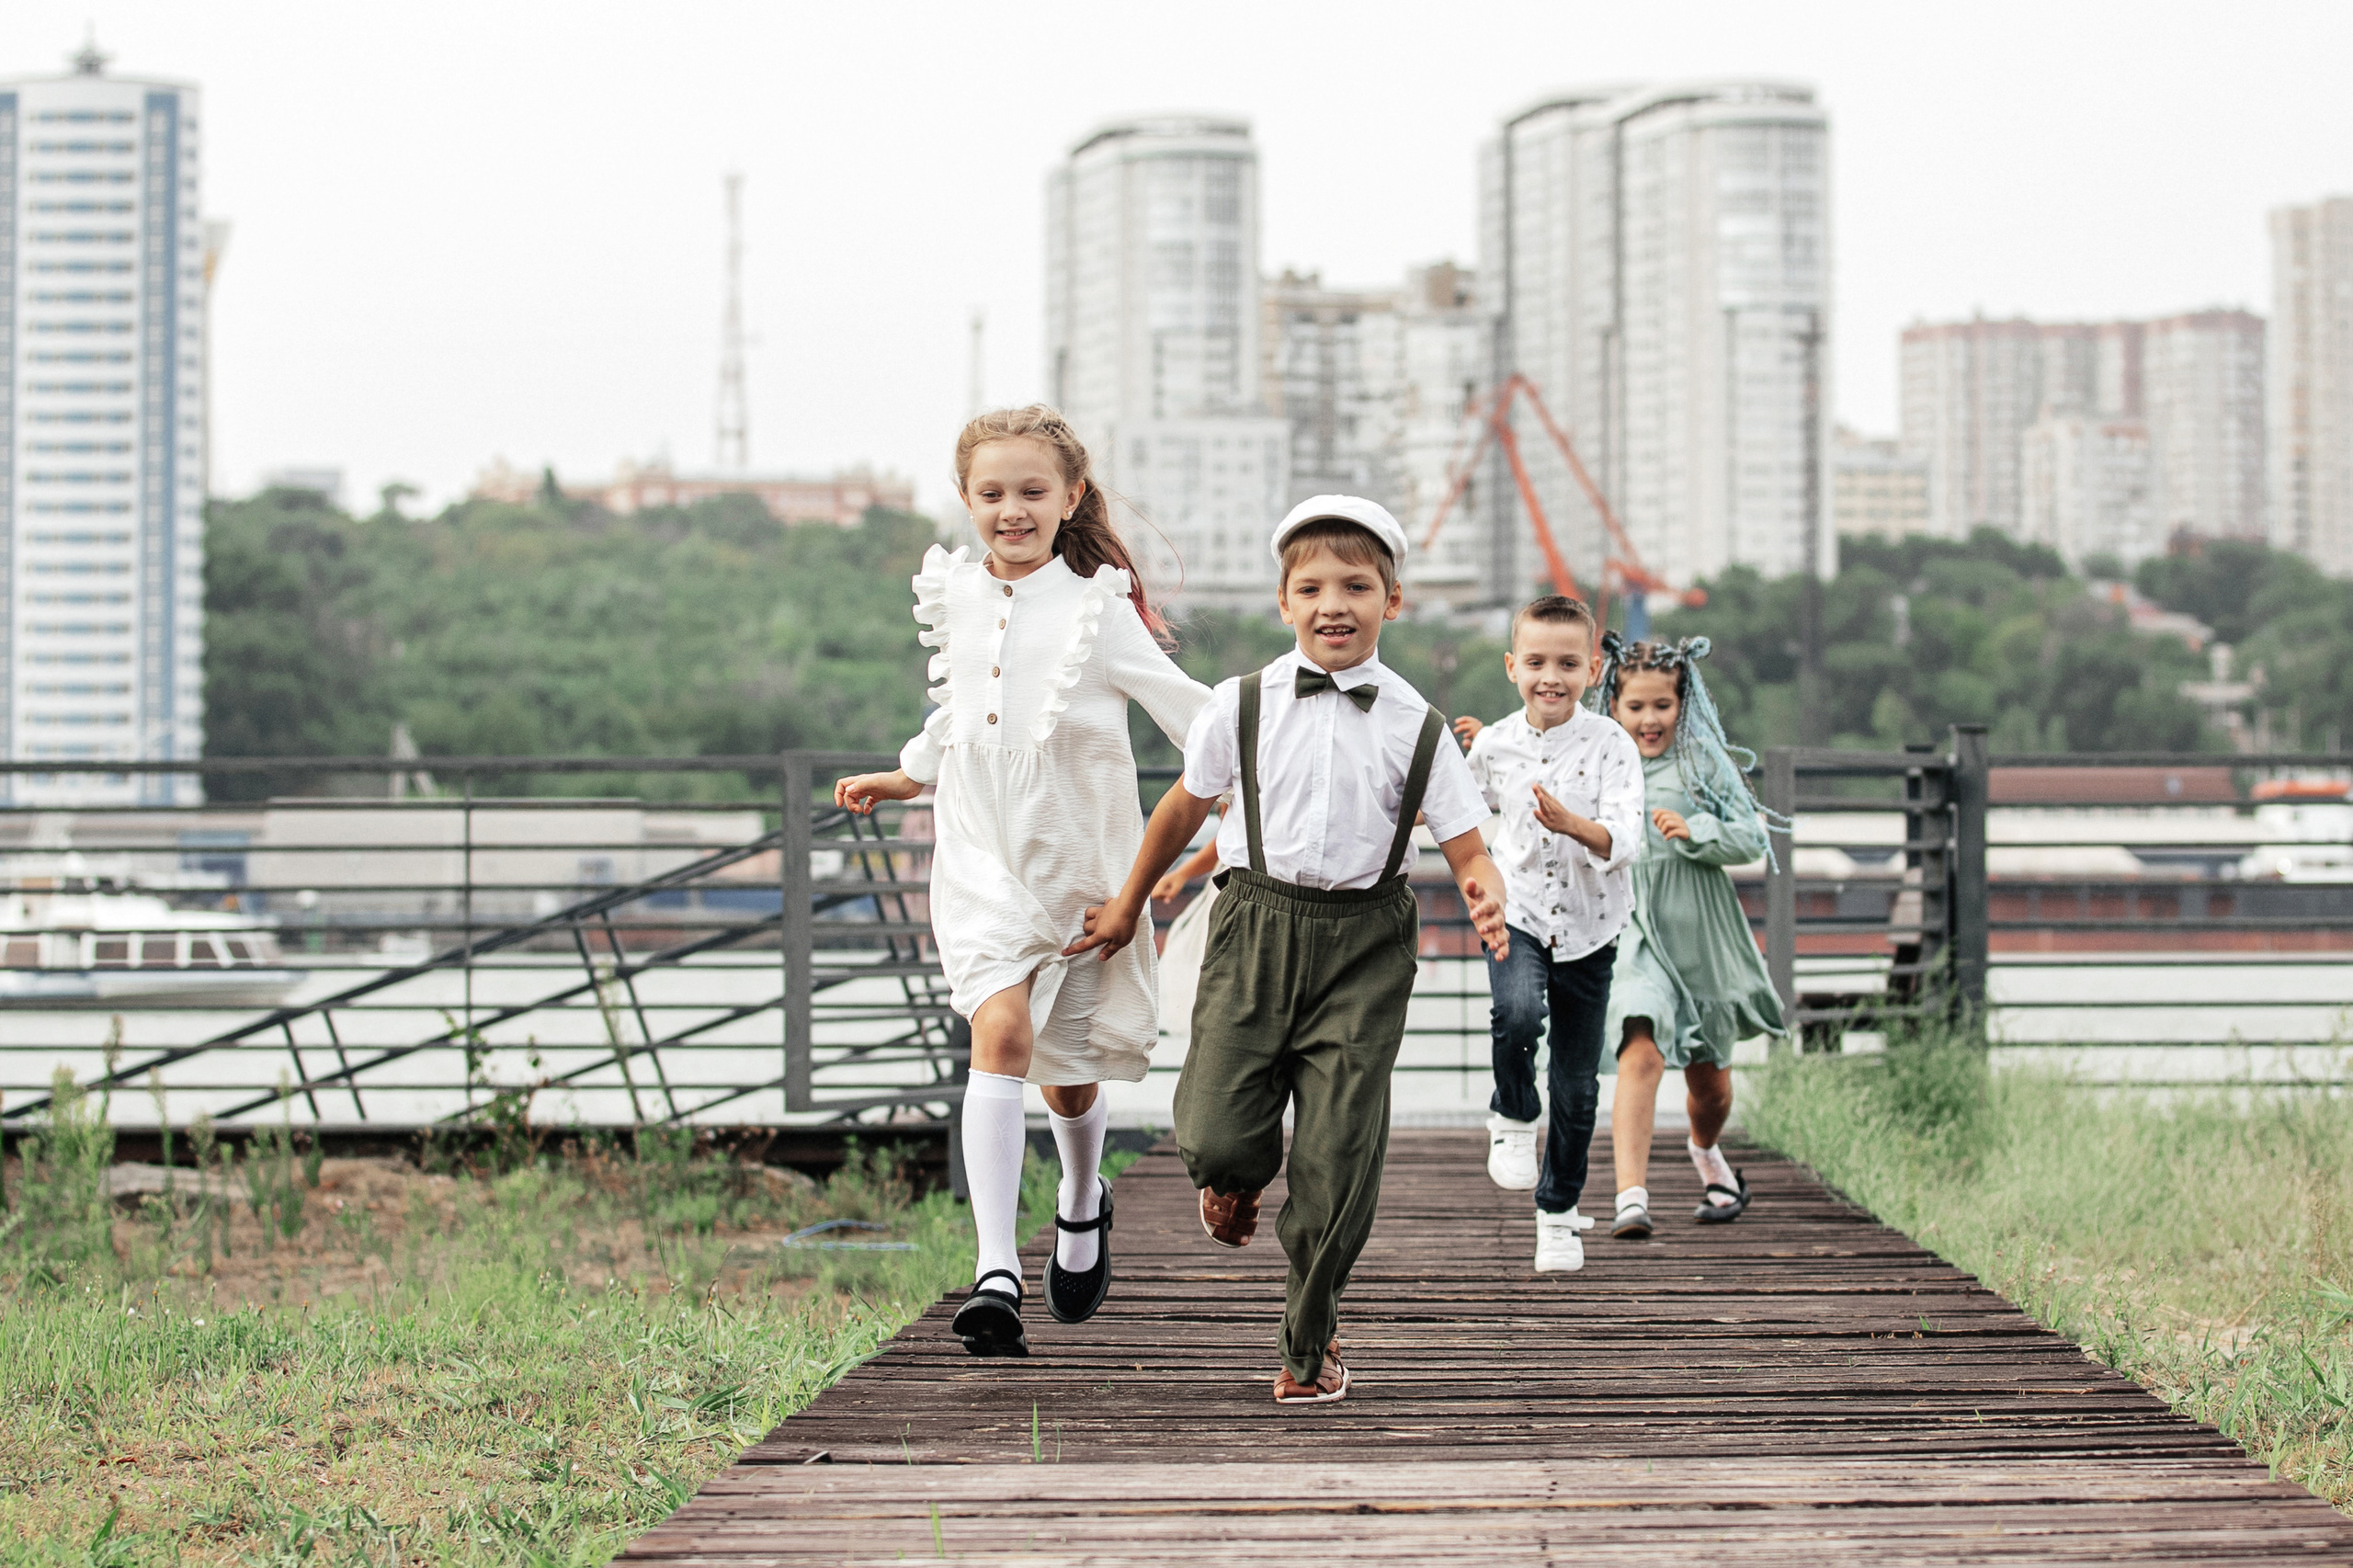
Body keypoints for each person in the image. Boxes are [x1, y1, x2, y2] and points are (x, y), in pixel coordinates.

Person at [1067, 495, 1508, 1405]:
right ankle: (1230, 1179)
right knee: (1216, 1129)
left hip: (1365, 943)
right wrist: (1127, 902)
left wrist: (1483, 887)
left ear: (1394, 601)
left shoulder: (1415, 723)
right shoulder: (1241, 703)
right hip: (1253, 927)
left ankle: (1311, 1342)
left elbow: (1465, 840)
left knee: (1339, 1153)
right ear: (1283, 602)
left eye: (1356, 585)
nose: (1332, 602)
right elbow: (1184, 807)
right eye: (1311, 586)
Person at [835, 406, 1211, 1356]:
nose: (1012, 509)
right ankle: (995, 1268)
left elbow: (1199, 722)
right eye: (992, 493)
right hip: (977, 854)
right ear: (967, 499)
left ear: (1069, 497)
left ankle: (1083, 1198)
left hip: (1075, 859)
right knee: (999, 1029)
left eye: (1032, 491)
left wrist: (1288, 757)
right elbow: (961, 710)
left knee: (1070, 1076)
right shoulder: (953, 594)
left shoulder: (1098, 609)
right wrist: (905, 771)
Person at [1450, 596, 1643, 1273]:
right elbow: (1459, 813)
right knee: (1517, 1010)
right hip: (1520, 912)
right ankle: (1510, 1114)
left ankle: (1558, 1212)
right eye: (1535, 662)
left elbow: (1625, 837)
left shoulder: (1613, 745)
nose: (1550, 677)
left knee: (1578, 1086)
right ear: (1512, 666)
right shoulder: (1497, 743)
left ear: (1592, 668)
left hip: (1592, 932)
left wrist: (1573, 826)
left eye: (1567, 663)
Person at [1594, 633, 1788, 1239]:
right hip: (1635, 929)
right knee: (1640, 1045)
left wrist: (1695, 830)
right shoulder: (1599, 763)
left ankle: (1708, 1153)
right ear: (1614, 706)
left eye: (1662, 706)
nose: (1649, 720)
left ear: (1684, 703)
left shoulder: (1704, 764)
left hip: (1701, 931)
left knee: (1712, 1082)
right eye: (1636, 707)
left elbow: (1752, 840)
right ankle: (1631, 1196)